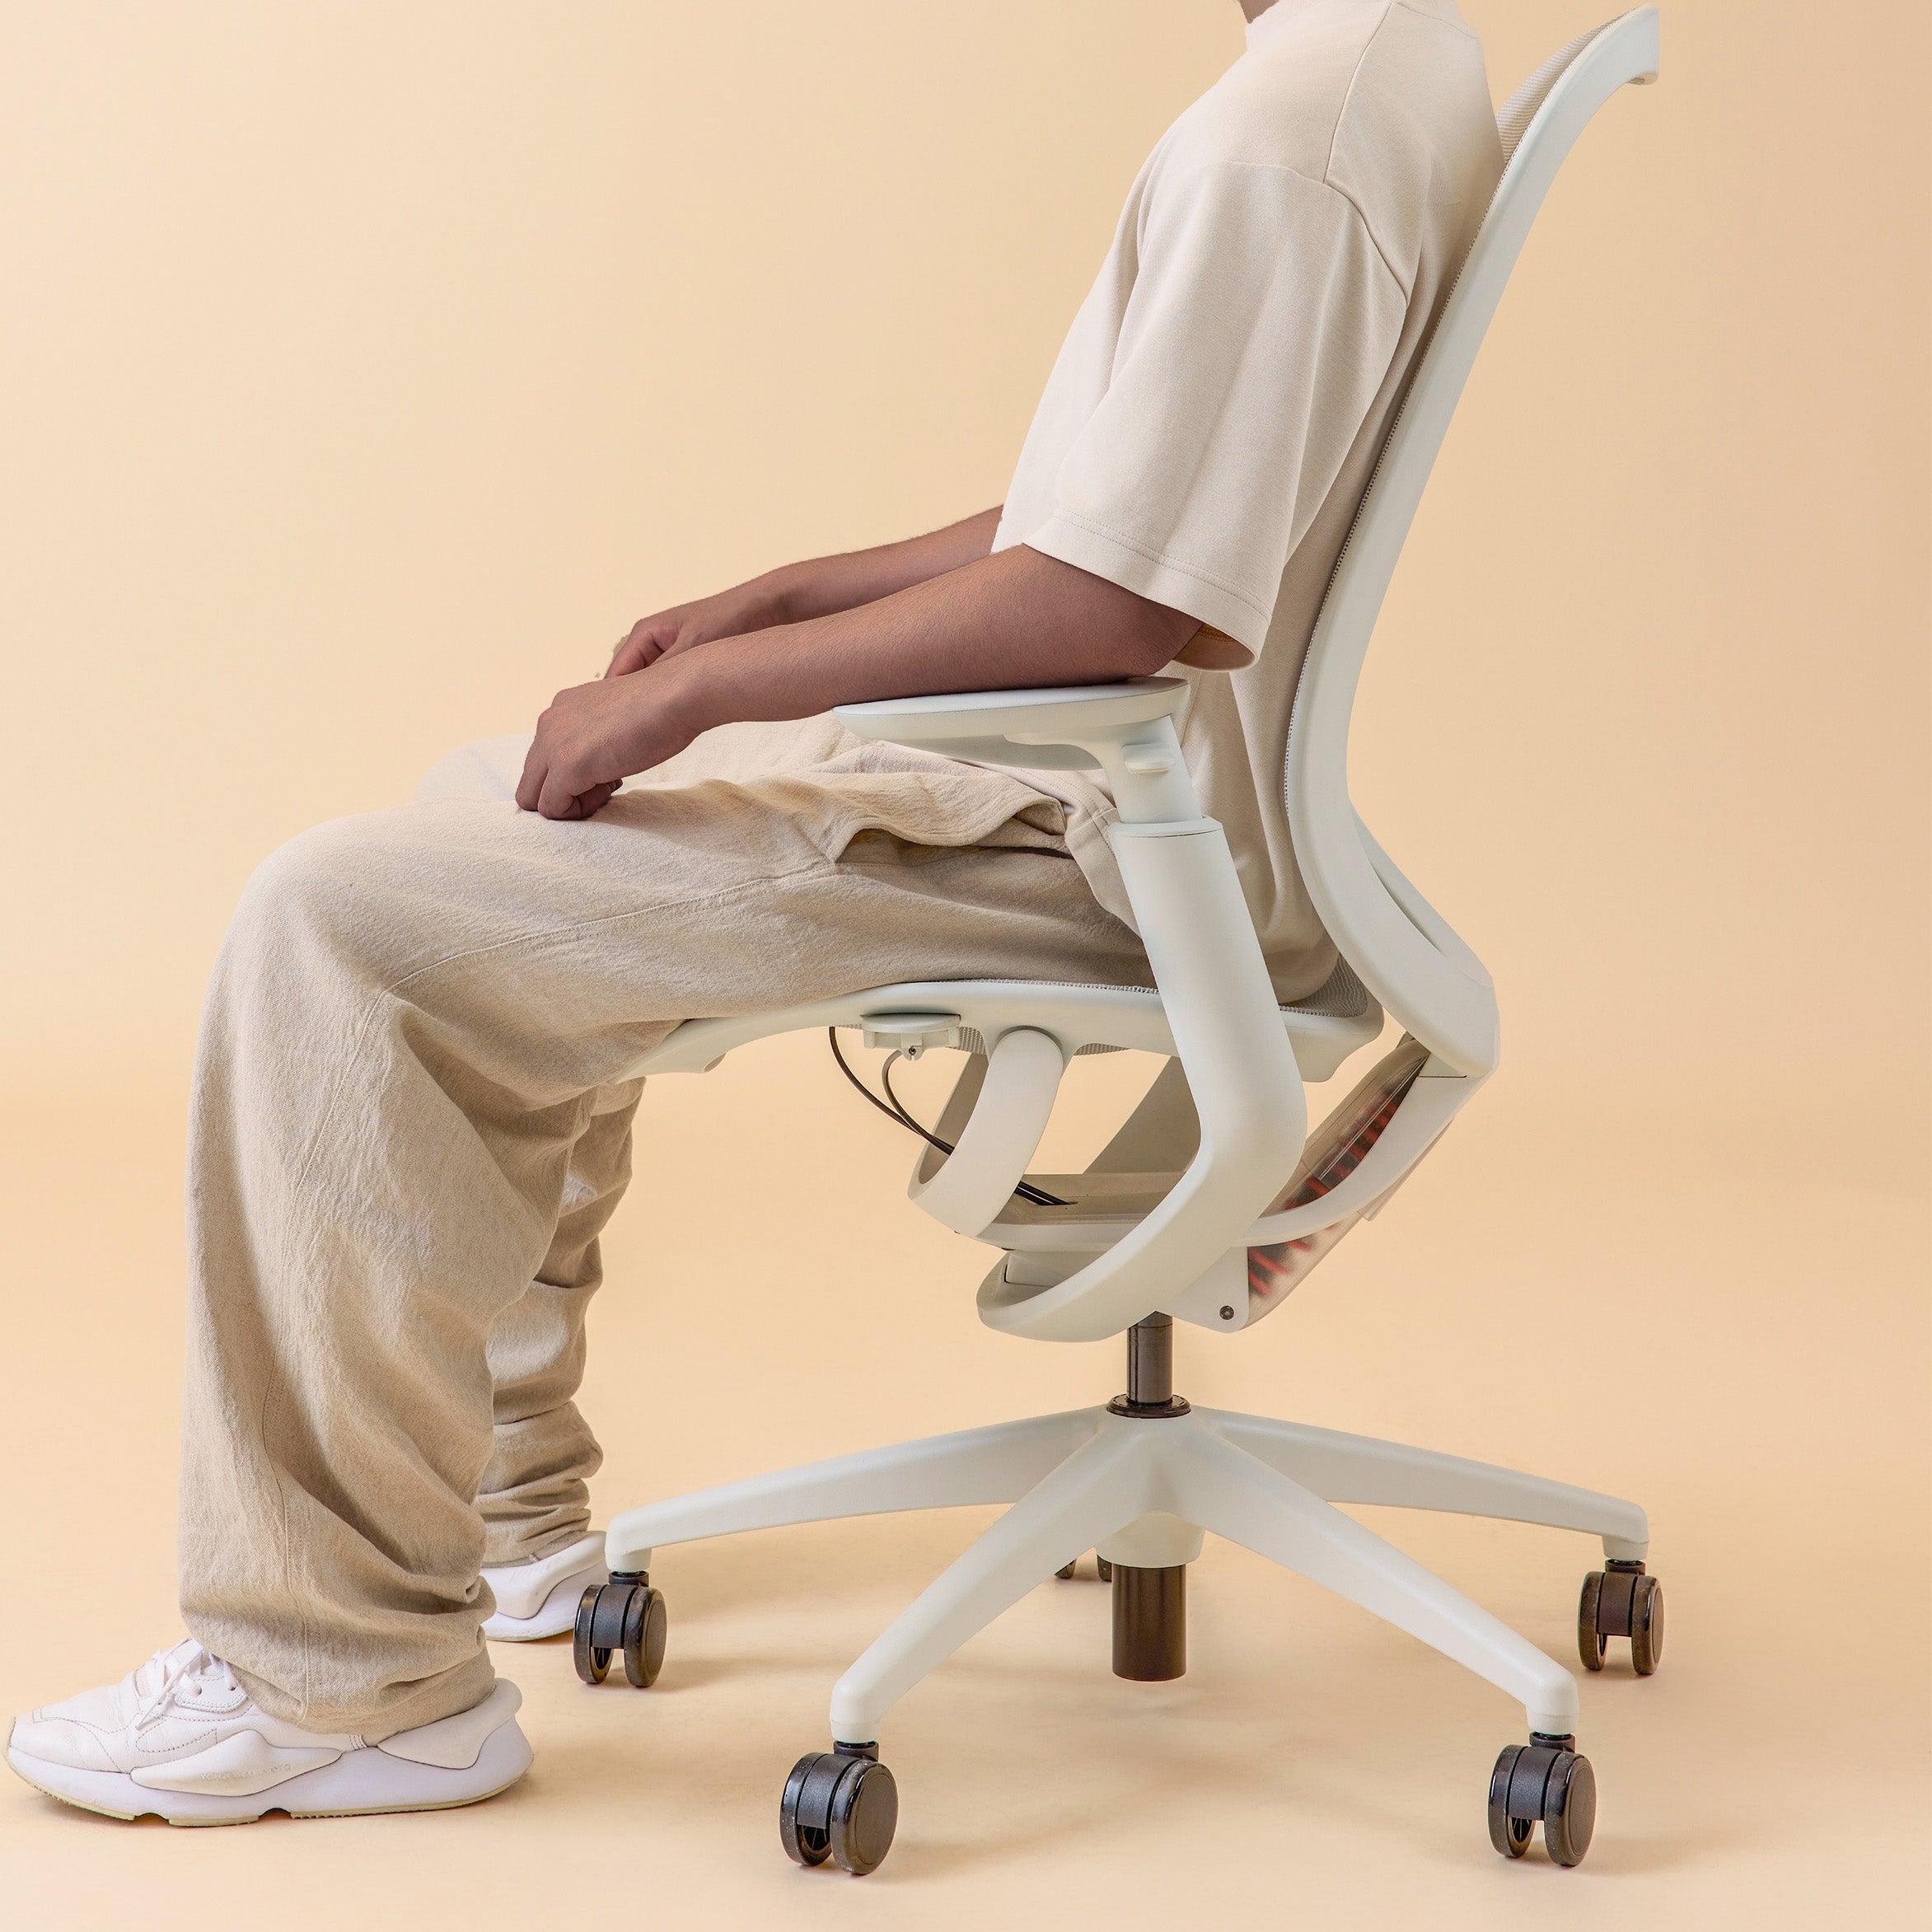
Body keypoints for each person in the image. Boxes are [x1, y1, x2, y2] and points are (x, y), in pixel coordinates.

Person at [7, 0, 1501, 1824]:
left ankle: (345, 1680)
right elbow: (1121, 514)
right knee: (494, 818)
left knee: (339, 923)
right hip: (1131, 803)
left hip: (1095, 841)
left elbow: (1119, 612)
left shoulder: (1284, 139)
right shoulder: (1392, 55)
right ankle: (510, 1522)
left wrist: (709, 695)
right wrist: (776, 604)